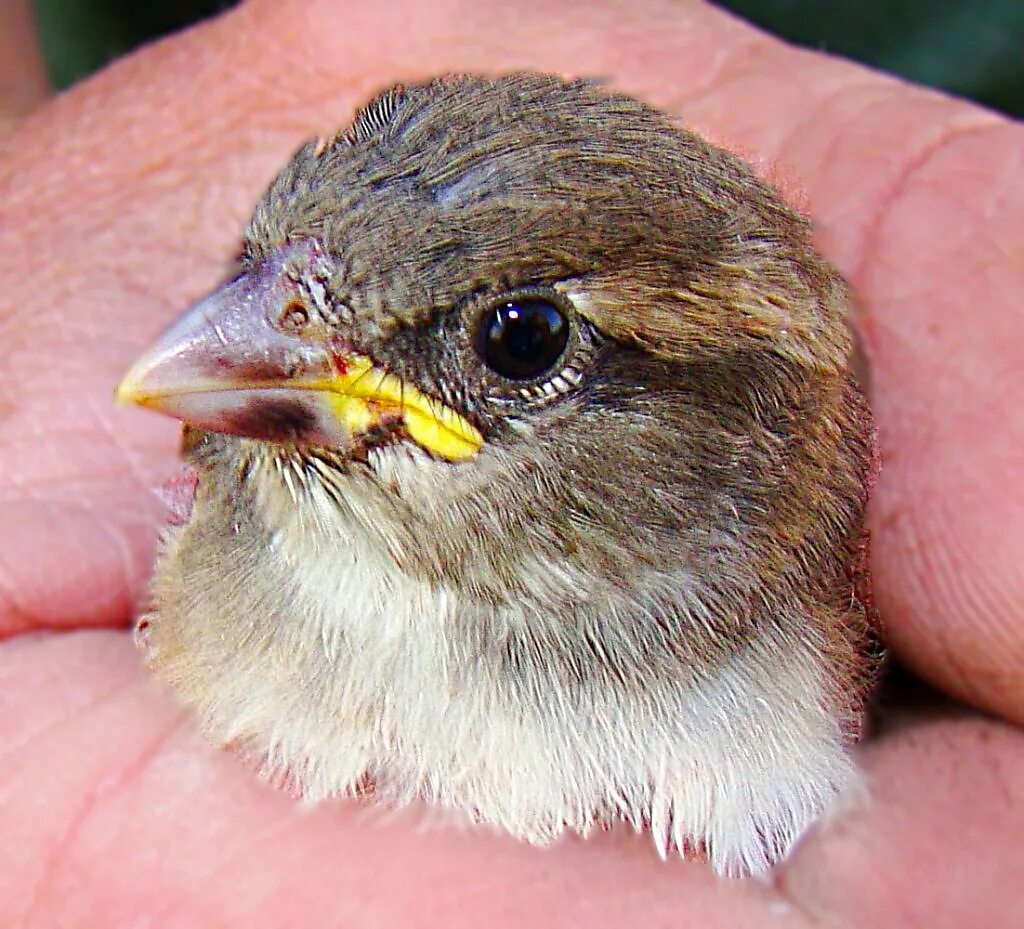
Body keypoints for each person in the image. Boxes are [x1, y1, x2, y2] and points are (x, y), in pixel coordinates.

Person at [0, 0, 1020, 924]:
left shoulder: (826, 612)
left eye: (516, 345)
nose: (237, 351)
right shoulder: (247, 497)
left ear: (730, 431)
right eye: (253, 283)